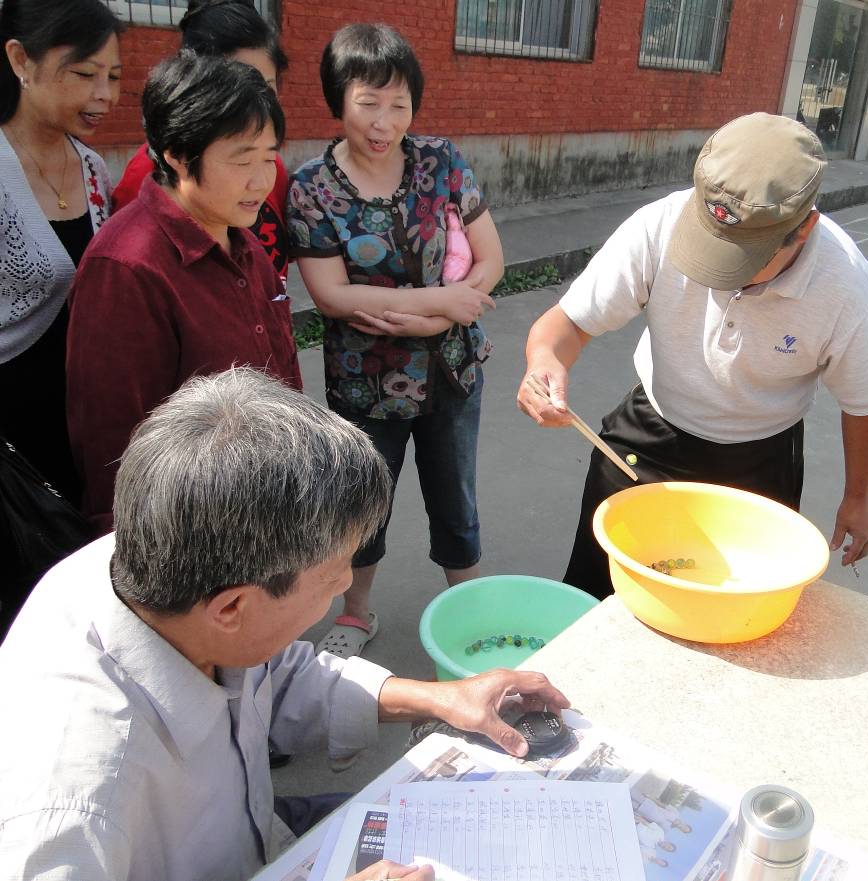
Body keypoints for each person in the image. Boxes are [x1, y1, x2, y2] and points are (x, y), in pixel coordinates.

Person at [0, 367, 570, 881]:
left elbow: (272, 670)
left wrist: (437, 697)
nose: (346, 585)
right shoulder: (70, 806)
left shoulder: (159, 560)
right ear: (232, 608)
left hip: (257, 829)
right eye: (332, 574)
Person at [519, 113, 868, 597]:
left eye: (743, 259)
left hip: (759, 459)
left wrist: (857, 497)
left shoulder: (847, 288)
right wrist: (544, 362)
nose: (719, 275)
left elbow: (863, 403)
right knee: (597, 597)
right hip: (649, 437)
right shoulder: (660, 224)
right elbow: (567, 324)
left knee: (734, 609)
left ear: (803, 229)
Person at [287, 23, 504, 659]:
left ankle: (472, 611)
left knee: (455, 498)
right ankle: (356, 613)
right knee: (362, 504)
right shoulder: (312, 188)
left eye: (399, 104)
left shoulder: (443, 162)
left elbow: (490, 259)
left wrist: (441, 321)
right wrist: (438, 303)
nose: (384, 123)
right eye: (368, 103)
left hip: (452, 370)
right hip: (365, 382)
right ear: (338, 100)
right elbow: (333, 295)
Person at [66, 51, 300, 532]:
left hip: (267, 509)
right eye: (242, 159)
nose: (262, 181)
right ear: (176, 154)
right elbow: (113, 444)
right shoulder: (127, 267)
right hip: (192, 530)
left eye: (269, 157)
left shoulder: (244, 241)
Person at [0, 0, 122, 505]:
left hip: (76, 423)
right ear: (20, 60)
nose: (104, 95)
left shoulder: (94, 170)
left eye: (113, 77)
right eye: (85, 74)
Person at [111, 0, 291, 285]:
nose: (254, 103)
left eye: (265, 87)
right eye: (236, 86)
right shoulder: (151, 177)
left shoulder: (270, 167)